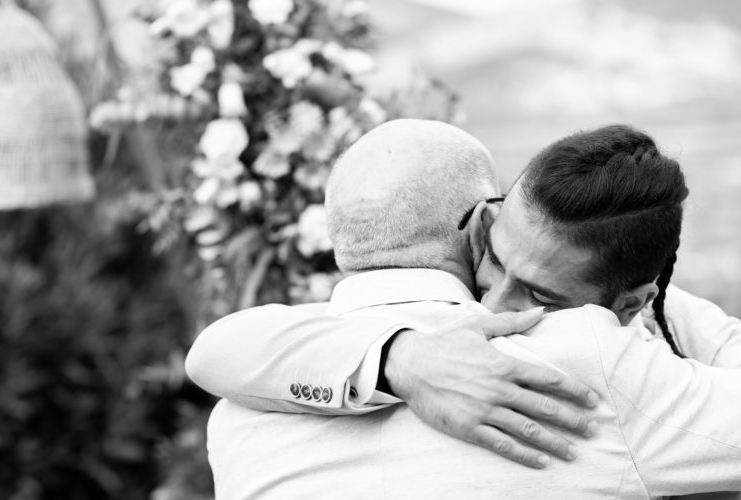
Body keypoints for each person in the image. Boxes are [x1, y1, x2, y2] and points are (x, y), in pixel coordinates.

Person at [186, 120, 741, 499]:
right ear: (482, 228)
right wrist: (403, 361)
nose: (495, 307)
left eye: (542, 296)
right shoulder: (594, 361)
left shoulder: (240, 411)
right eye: (499, 262)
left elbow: (212, 353)